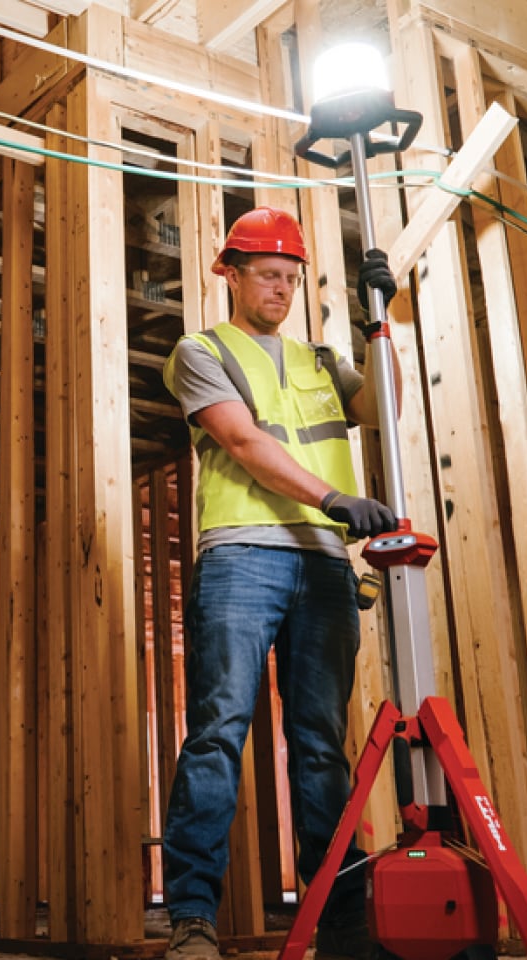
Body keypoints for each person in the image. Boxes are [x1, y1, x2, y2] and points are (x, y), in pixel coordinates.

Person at [159, 206, 399, 960]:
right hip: (242, 557)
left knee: (322, 745)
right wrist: (332, 500)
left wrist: (379, 324)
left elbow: (383, 408)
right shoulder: (201, 351)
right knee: (218, 733)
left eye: (291, 278)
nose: (281, 290)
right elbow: (240, 438)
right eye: (268, 274)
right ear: (229, 272)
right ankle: (194, 919)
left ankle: (342, 923)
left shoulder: (325, 362)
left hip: (325, 566)